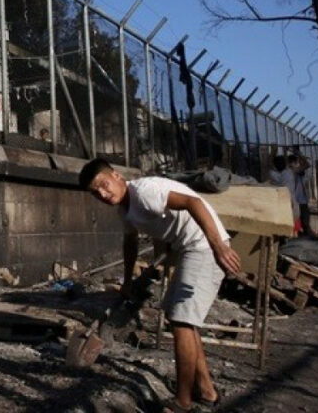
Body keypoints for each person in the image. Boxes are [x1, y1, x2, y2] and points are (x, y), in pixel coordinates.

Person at [79, 158, 240, 413]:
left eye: (104, 184)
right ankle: (207, 391)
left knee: (182, 322)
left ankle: (183, 402)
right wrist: (129, 281)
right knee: (182, 320)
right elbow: (130, 242)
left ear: (117, 176)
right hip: (187, 248)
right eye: (95, 192)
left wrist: (218, 245)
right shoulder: (125, 208)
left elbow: (193, 202)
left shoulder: (145, 193)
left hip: (203, 247)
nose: (102, 193)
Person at [288, 152, 315, 237]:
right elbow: (307, 165)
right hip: (295, 201)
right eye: (297, 163)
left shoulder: (299, 174)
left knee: (304, 221)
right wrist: (300, 155)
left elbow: (306, 166)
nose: (298, 165)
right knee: (299, 221)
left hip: (301, 200)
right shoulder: (291, 171)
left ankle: (304, 234)